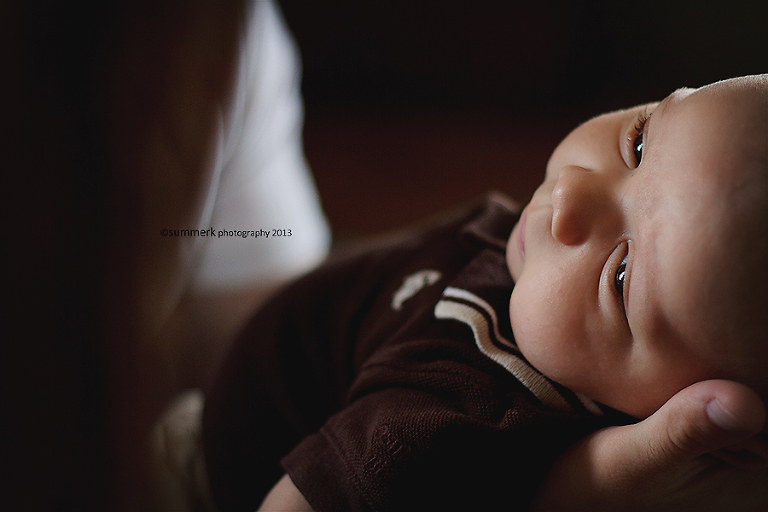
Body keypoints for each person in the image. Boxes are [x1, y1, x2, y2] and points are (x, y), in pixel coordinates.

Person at [197, 75, 768, 511]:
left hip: (208, 474)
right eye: (639, 145)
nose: (570, 195)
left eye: (619, 277)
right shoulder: (549, 288)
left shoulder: (463, 413)